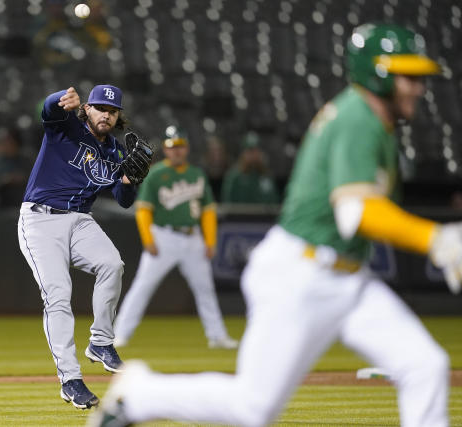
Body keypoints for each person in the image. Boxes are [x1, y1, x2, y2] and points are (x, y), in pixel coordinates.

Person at [91, 23, 460, 427]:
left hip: (348, 278)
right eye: (409, 76)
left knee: (425, 366)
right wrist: (435, 238)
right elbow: (355, 212)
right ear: (379, 72)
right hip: (301, 274)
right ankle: (142, 394)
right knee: (254, 408)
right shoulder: (359, 119)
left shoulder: (375, 120)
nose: (419, 87)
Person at [18, 84, 151, 410]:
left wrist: (132, 178)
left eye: (112, 110)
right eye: (99, 108)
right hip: (40, 219)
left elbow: (124, 201)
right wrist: (58, 100)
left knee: (112, 264)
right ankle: (71, 380)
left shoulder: (116, 152)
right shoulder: (67, 127)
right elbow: (48, 111)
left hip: (79, 220)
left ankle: (101, 342)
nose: (105, 114)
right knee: (58, 293)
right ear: (86, 109)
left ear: (118, 116)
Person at [114, 127, 238, 350]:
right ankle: (120, 334)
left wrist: (210, 241)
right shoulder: (156, 174)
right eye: (172, 147)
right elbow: (143, 209)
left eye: (180, 146)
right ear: (166, 149)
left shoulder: (196, 174)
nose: (177, 151)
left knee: (205, 289)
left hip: (193, 238)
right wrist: (148, 238)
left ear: (187, 148)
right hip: (164, 237)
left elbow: (208, 210)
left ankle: (217, 336)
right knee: (143, 287)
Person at [221, 131, 279, 204]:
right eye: (250, 151)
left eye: (256, 150)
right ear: (243, 154)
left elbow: (275, 204)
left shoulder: (267, 176)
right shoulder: (234, 177)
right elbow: (227, 204)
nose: (254, 155)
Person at [0, 127, 32, 207]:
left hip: (22, 197)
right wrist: (5, 179)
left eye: (11, 143)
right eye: (5, 143)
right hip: (2, 197)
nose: (7, 146)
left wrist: (20, 178)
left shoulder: (25, 160)